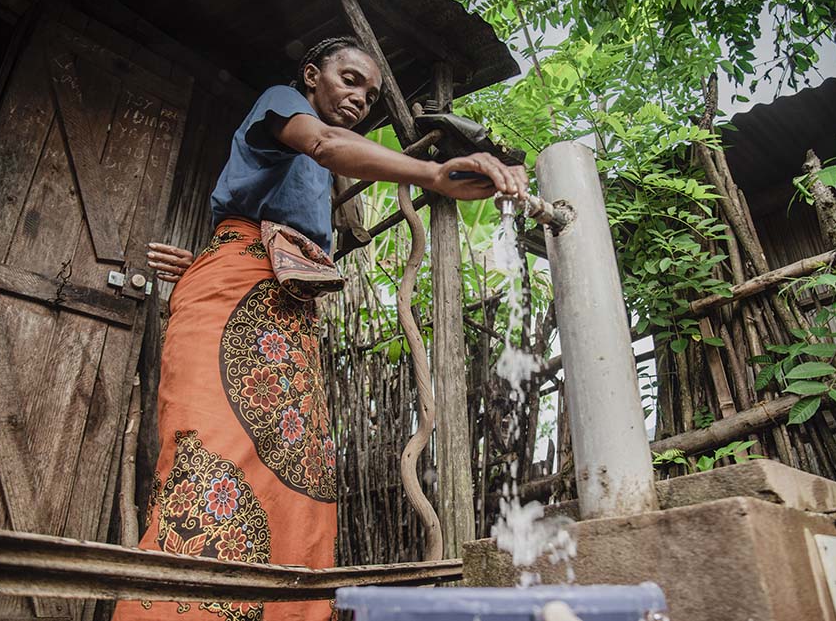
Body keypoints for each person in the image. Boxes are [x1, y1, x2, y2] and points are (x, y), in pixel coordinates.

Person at [112, 37, 526, 621]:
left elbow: (302, 207)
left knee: (299, 482)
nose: (360, 97)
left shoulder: (317, 176)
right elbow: (327, 145)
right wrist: (433, 172)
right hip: (231, 298)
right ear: (311, 76)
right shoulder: (281, 102)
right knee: (213, 463)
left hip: (291, 314)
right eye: (350, 79)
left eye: (372, 93)